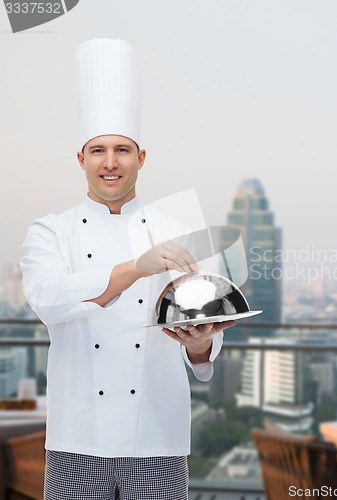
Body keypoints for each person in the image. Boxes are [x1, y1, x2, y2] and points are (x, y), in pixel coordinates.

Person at [20, 38, 234, 500]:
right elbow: (48, 300)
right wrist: (136, 267)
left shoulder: (180, 231)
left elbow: (205, 341)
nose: (110, 163)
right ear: (81, 159)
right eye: (98, 150)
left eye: (123, 149)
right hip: (75, 439)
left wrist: (200, 346)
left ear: (142, 158)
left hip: (157, 438)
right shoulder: (50, 231)